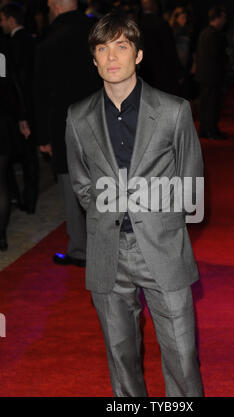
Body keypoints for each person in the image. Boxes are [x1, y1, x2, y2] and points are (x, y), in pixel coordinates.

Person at [66, 11, 204, 397]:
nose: (112, 57)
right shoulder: (78, 117)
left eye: (121, 46)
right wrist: (105, 211)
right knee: (121, 357)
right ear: (94, 60)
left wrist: (158, 220)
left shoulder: (174, 111)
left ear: (138, 55)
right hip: (107, 251)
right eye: (102, 48)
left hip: (162, 249)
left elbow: (191, 181)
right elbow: (81, 183)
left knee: (182, 355)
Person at [35, 0, 101, 266]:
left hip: (65, 124)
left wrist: (43, 137)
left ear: (54, 5)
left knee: (71, 185)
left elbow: (40, 94)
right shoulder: (98, 31)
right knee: (104, 181)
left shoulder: (48, 42)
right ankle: (111, 243)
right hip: (101, 120)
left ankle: (81, 249)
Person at [0, 2, 39, 214]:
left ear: (11, 20)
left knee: (23, 157)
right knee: (27, 157)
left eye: (3, 19)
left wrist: (20, 113)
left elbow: (12, 82)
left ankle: (25, 198)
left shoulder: (11, 45)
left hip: (18, 108)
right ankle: (26, 198)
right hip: (29, 105)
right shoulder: (32, 40)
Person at [195, 6, 227, 140]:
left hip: (205, 75)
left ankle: (206, 129)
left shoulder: (205, 33)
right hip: (212, 76)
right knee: (211, 104)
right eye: (224, 18)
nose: (225, 21)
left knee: (207, 104)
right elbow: (216, 56)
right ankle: (210, 130)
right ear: (218, 18)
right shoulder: (213, 34)